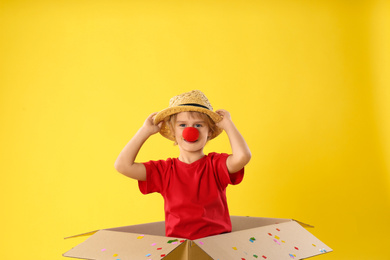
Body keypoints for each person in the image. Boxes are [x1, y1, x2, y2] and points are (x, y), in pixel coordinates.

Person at [114, 90, 251, 240]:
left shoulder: (216, 165)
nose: (190, 131)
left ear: (209, 132)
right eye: (182, 125)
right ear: (173, 132)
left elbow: (242, 156)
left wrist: (228, 125)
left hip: (217, 244)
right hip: (179, 246)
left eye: (198, 125)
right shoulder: (164, 170)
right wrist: (145, 131)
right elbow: (122, 165)